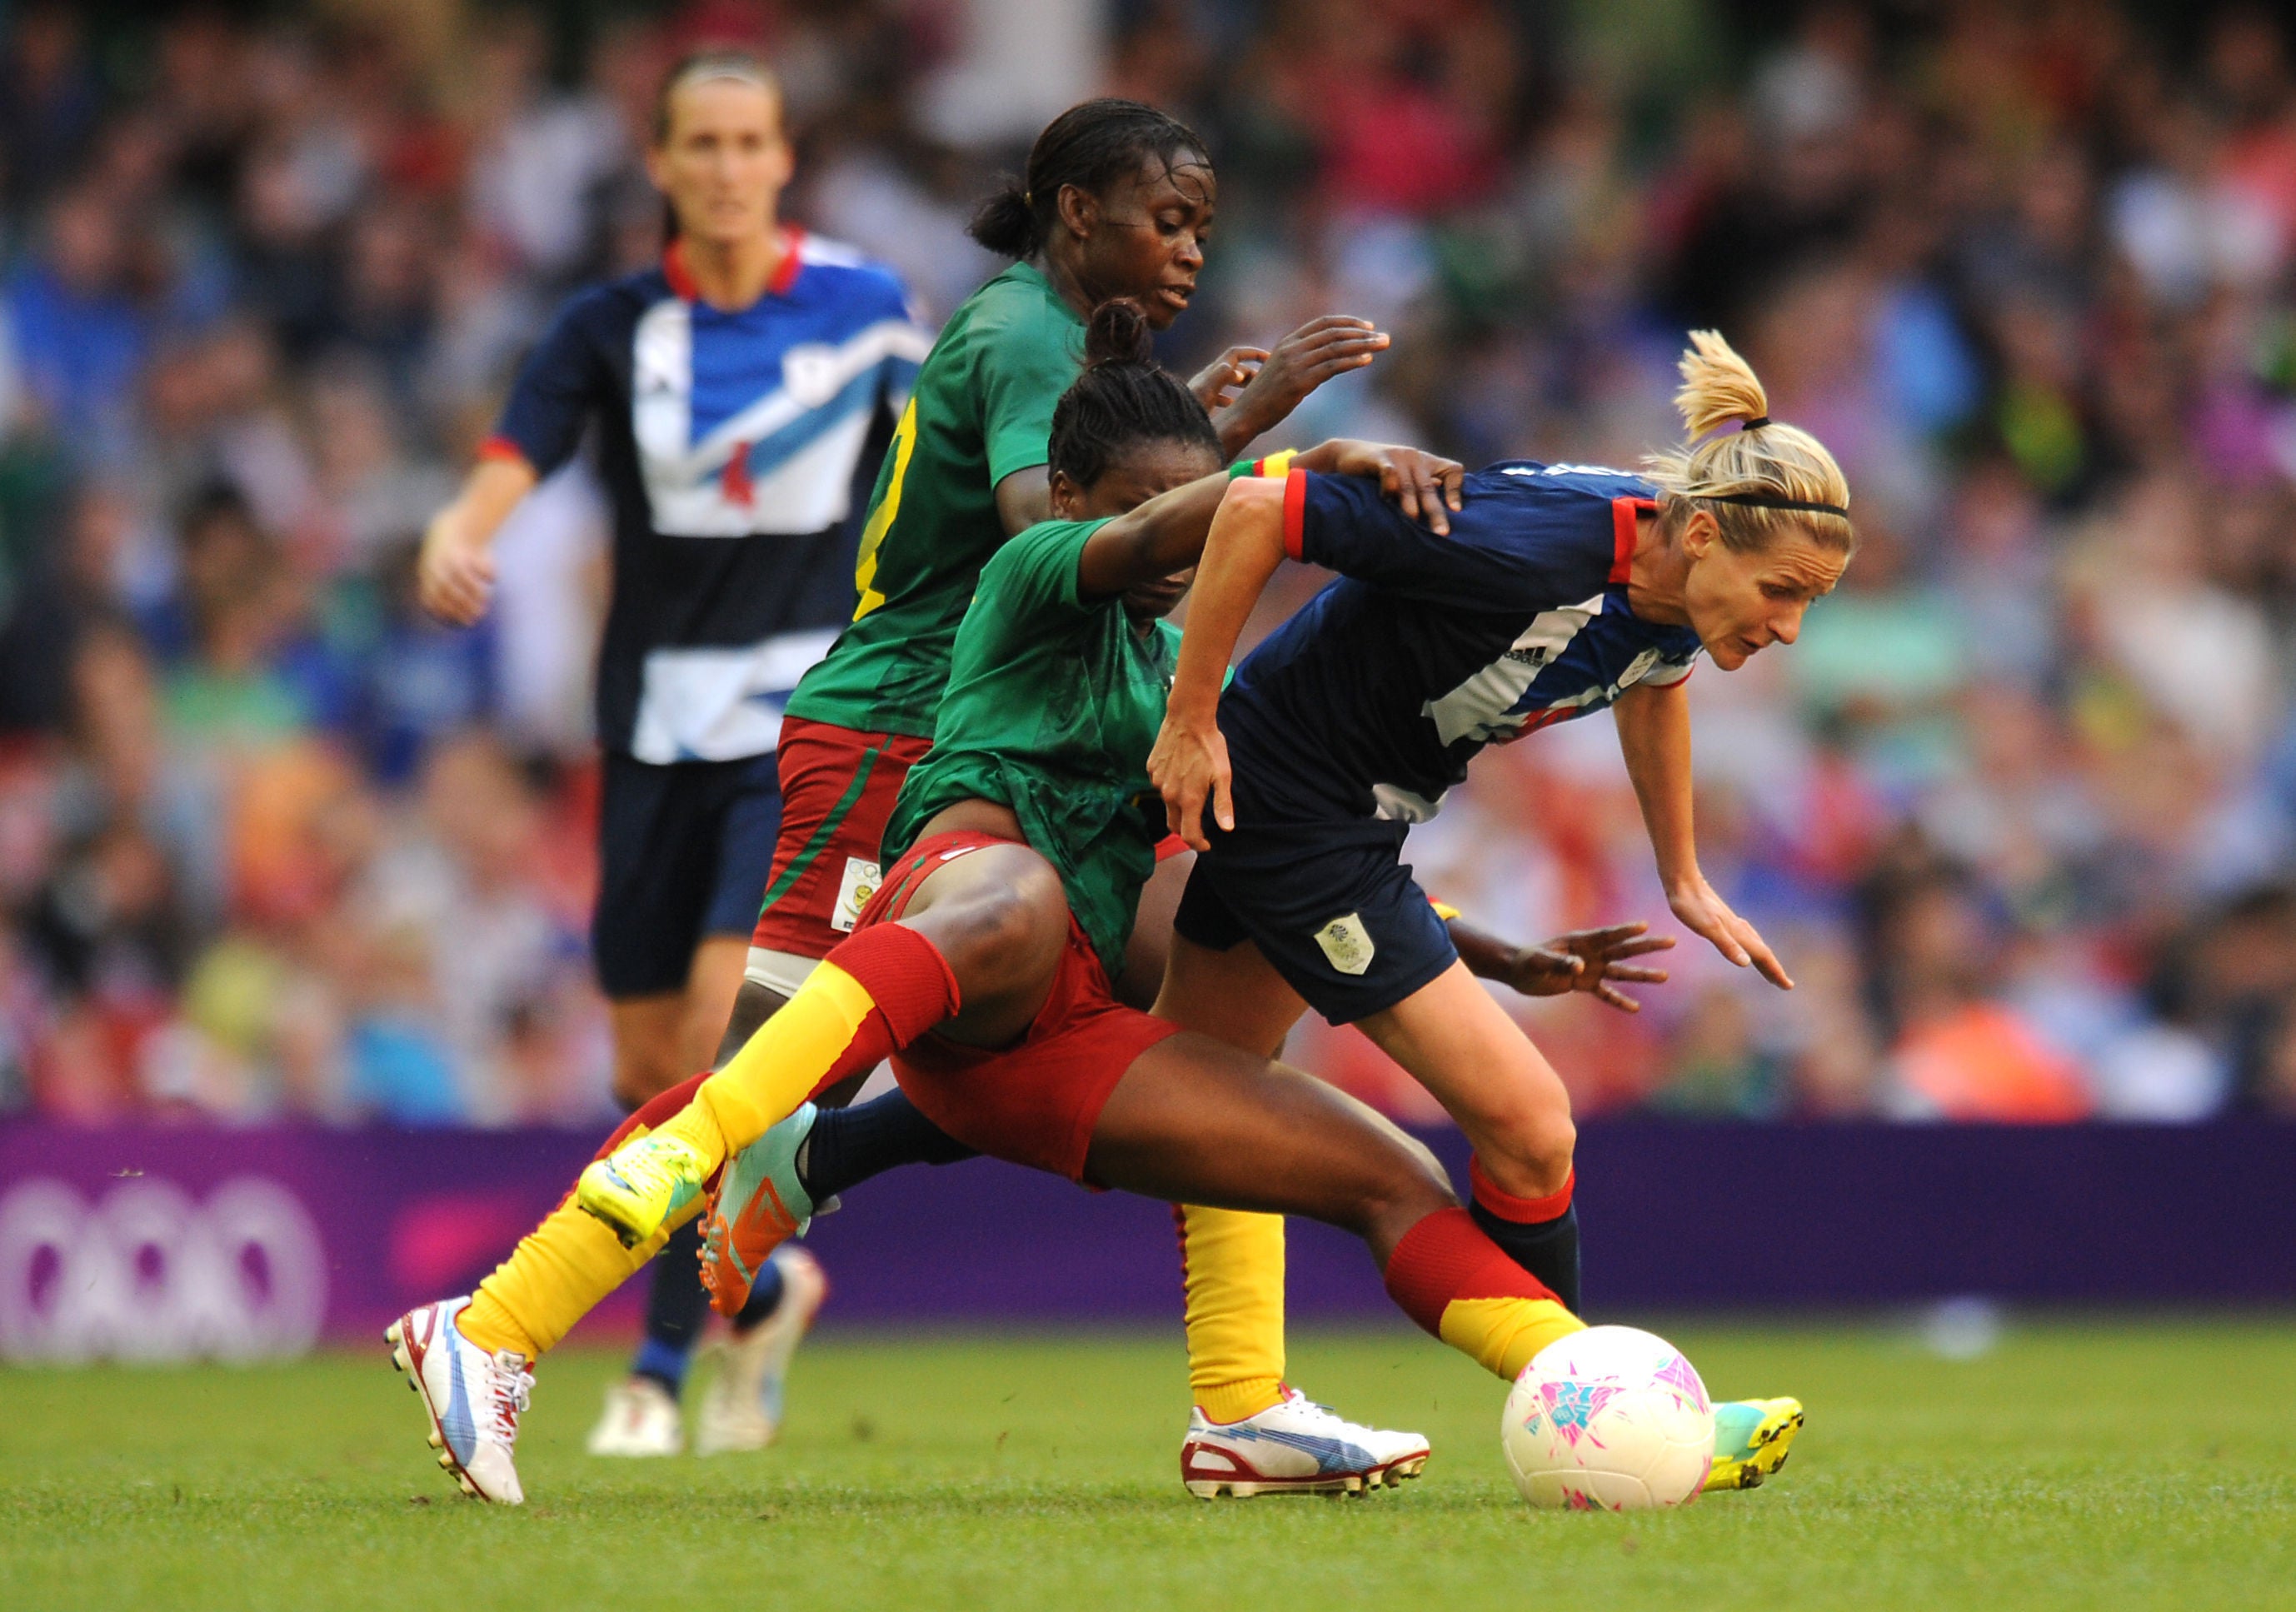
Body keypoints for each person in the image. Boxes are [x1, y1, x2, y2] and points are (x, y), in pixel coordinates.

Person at [388, 306, 1667, 1503]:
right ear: (1069, 501)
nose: (1167, 542)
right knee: (1023, 896)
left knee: (1386, 1165)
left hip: (1046, 1050)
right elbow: (1161, 537)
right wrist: (1296, 478)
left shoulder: (1180, 669)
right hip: (958, 937)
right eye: (1131, 502)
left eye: (1180, 503)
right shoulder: (1041, 571)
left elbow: (1297, 851)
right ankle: (492, 1325)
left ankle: (1574, 1400)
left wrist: (1482, 947)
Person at [412, 49, 927, 1457]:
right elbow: (519, 447)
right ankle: (759, 1292)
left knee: (721, 1032)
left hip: (808, 724)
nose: (722, 166)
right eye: (697, 142)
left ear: (782, 158)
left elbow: (953, 466)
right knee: (642, 1054)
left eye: (747, 140)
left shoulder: (869, 309)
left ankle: (654, 1364)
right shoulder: (610, 325)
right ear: (659, 162)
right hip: (649, 728)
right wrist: (462, 530)